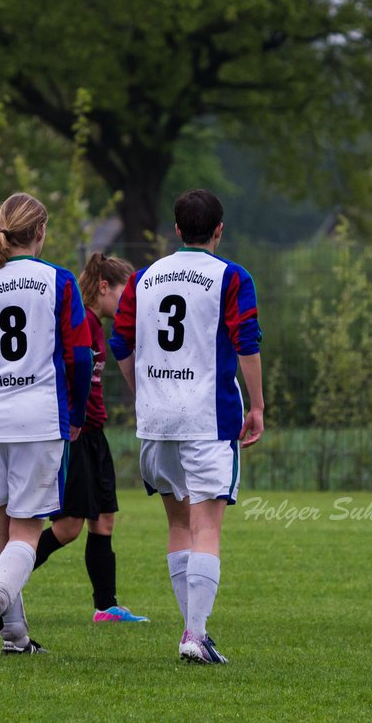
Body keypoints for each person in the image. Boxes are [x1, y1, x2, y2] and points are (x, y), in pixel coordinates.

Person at [109, 189, 264, 665]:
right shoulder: (231, 276)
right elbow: (247, 342)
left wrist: (144, 395)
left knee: (178, 523)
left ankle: (192, 631)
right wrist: (257, 405)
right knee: (206, 526)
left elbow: (119, 342)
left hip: (158, 421)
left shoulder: (144, 277)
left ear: (176, 230)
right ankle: (195, 635)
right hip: (208, 417)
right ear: (219, 229)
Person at [0, 192, 93, 657]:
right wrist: (77, 410)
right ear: (41, 232)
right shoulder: (59, 281)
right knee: (26, 529)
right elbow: (82, 355)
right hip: (38, 415)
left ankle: (13, 636)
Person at [32, 252, 149, 624]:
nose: (130, 304)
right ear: (103, 287)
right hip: (74, 433)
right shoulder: (78, 320)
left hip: (95, 433)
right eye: (124, 294)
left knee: (105, 520)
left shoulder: (99, 328)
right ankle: (0, 579)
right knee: (67, 528)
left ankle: (106, 607)